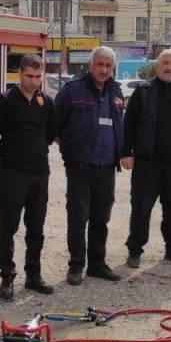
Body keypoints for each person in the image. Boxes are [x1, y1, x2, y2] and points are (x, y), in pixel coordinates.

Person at [121, 48, 171, 269]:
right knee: (141, 208)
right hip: (148, 163)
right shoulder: (144, 91)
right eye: (165, 63)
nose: (168, 67)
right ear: (157, 67)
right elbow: (129, 124)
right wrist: (126, 153)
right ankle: (135, 250)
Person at [0, 54, 56, 299]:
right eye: (29, 76)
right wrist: (12, 159)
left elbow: (48, 135)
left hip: (39, 174)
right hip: (13, 175)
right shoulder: (4, 102)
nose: (34, 81)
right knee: (8, 229)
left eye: (38, 77)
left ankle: (33, 276)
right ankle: (7, 278)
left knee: (36, 228)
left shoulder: (46, 102)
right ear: (19, 74)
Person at [55, 47, 124, 286]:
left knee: (100, 218)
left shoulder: (116, 91)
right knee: (78, 217)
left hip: (106, 166)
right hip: (79, 167)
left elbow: (118, 125)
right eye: (100, 65)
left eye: (108, 66)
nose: (104, 70)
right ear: (90, 65)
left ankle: (96, 264)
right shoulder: (72, 91)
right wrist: (69, 150)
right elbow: (55, 125)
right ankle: (76, 266)